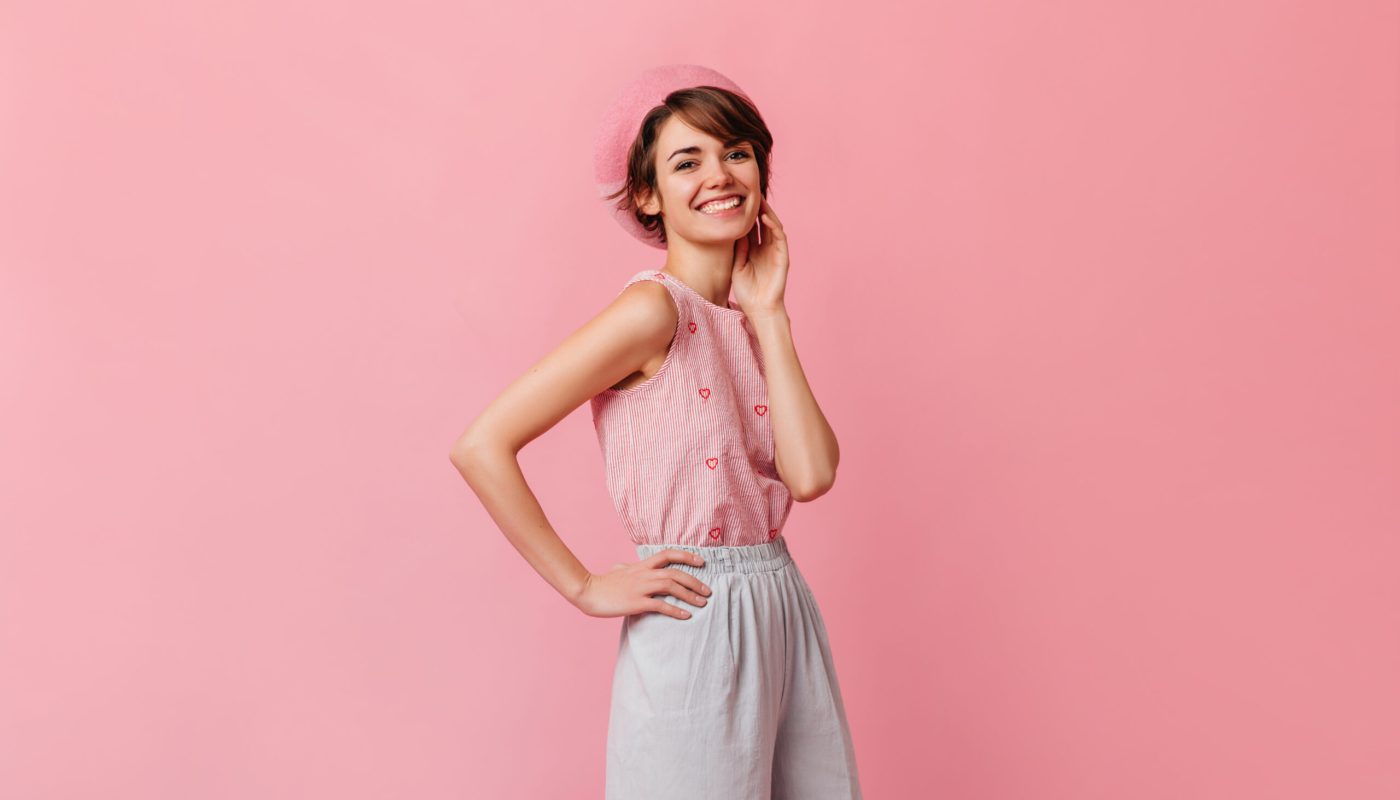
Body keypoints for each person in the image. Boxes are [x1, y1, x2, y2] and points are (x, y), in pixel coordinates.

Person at [451, 64, 862, 800]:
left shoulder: (745, 319)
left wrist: (770, 314)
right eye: (687, 160)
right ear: (648, 196)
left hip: (781, 605)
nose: (720, 174)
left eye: (736, 152)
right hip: (697, 615)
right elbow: (482, 444)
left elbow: (811, 476)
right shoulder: (653, 312)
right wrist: (582, 585)